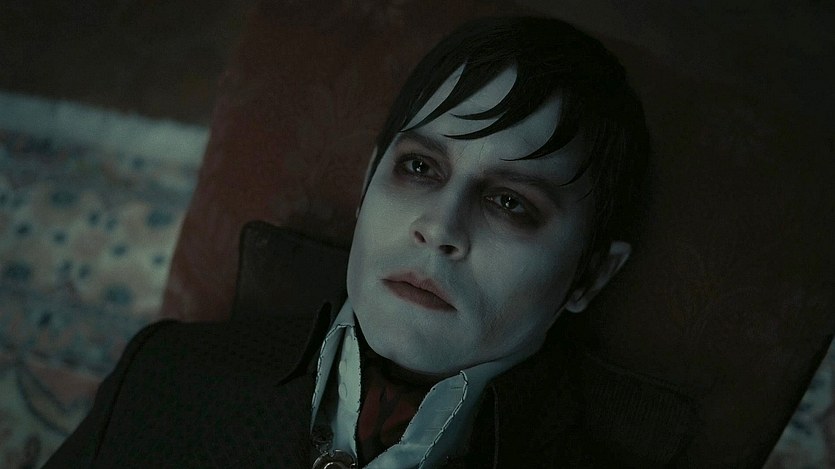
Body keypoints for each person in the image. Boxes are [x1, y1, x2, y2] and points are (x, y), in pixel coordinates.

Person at [46, 16, 693, 468]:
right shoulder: (166, 373)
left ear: (589, 276)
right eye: (420, 167)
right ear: (365, 187)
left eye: (510, 202)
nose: (439, 228)